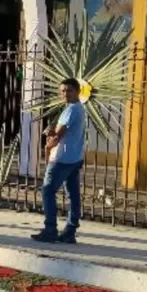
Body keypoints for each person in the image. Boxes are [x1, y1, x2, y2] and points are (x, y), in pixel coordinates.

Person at [34, 77, 86, 244]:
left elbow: (58, 134)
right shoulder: (80, 108)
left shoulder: (71, 109)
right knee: (73, 194)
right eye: (63, 91)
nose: (65, 94)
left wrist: (48, 142)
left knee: (48, 191)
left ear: (77, 91)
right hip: (75, 157)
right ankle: (70, 230)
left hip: (62, 158)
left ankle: (50, 229)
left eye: (69, 90)